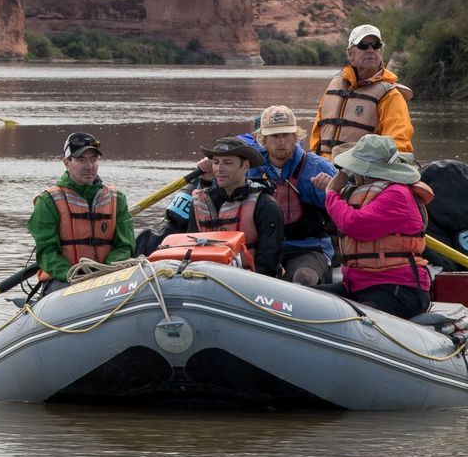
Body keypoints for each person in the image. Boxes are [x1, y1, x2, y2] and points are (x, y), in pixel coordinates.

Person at [313, 133, 434, 318]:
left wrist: (331, 192)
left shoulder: (397, 195)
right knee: (310, 297)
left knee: (358, 319)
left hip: (398, 289)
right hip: (360, 284)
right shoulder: (364, 192)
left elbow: (353, 224)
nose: (351, 173)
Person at [28, 132, 136, 295]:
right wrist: (74, 275)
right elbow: (47, 253)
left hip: (108, 277)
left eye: (93, 160)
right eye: (81, 160)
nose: (89, 166)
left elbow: (125, 245)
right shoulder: (48, 201)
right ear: (66, 162)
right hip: (63, 280)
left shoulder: (116, 198)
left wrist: (106, 271)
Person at [167, 137, 283, 277]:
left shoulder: (266, 206)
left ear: (245, 166)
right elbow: (191, 250)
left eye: (228, 163)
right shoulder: (199, 203)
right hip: (201, 278)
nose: (220, 169)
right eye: (216, 162)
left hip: (247, 282)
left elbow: (267, 266)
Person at [249, 105, 339, 285]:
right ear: (263, 139)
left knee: (303, 278)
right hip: (263, 248)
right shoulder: (249, 167)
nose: (280, 141)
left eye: (286, 135)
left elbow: (350, 207)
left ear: (295, 137)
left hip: (309, 248)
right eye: (274, 136)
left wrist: (332, 190)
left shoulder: (319, 167)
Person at [309, 24, 414, 160]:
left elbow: (399, 144)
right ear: (351, 54)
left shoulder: (390, 96)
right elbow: (316, 136)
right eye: (363, 46)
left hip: (362, 173)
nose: (370, 50)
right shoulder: (334, 87)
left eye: (376, 46)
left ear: (381, 53)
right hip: (323, 169)